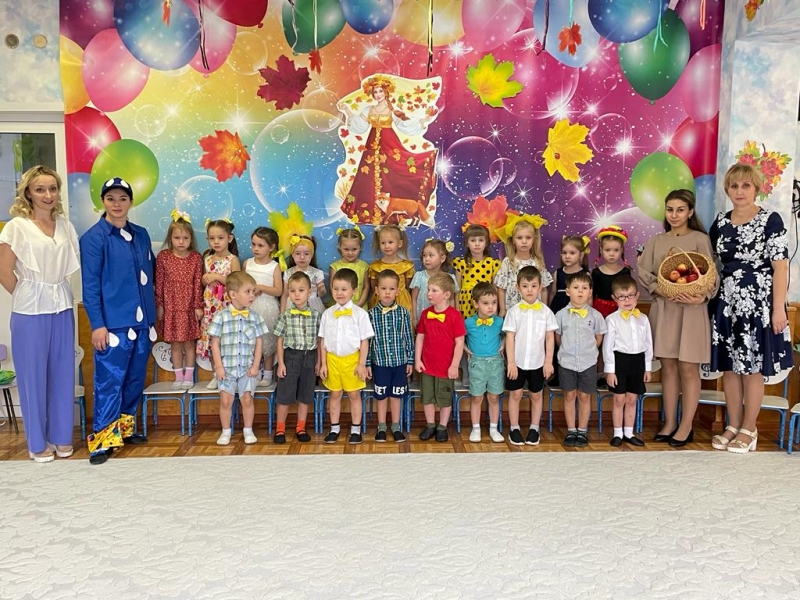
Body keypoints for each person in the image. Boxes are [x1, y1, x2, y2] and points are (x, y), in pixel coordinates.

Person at [708, 162, 792, 454]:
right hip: (726, 303)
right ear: (727, 190)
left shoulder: (771, 220)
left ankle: (749, 428)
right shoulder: (719, 224)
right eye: (734, 186)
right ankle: (733, 425)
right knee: (730, 367)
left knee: (753, 367)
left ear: (756, 188)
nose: (739, 191)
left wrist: (778, 309)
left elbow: (780, 267)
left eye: (746, 185)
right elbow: (713, 264)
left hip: (759, 304)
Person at [0, 165, 80, 463]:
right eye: (40, 189)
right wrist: (28, 295)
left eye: (52, 189)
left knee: (62, 373)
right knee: (33, 377)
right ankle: (36, 443)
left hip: (62, 305)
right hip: (29, 311)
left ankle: (60, 436)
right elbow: (4, 270)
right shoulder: (17, 227)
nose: (48, 195)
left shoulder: (65, 226)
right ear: (28, 193)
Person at [80, 177, 156, 465]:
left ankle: (124, 430)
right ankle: (102, 440)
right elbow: (90, 286)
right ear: (103, 201)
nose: (117, 204)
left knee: (135, 379)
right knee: (109, 382)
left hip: (142, 323)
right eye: (111, 198)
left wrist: (151, 316)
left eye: (122, 198)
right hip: (113, 324)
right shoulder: (94, 238)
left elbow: (150, 275)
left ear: (130, 202)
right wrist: (97, 324)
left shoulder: (141, 235)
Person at [638, 189, 718, 446]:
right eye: (670, 209)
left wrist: (701, 297)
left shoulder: (700, 239)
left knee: (688, 368)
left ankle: (686, 425)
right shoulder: (656, 241)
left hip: (692, 311)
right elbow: (644, 272)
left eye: (680, 210)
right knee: (669, 368)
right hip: (666, 309)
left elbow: (712, 275)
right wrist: (663, 290)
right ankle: (670, 422)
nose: (674, 215)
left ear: (690, 212)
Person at [338, 74, 438, 225]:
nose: (378, 94)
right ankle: (369, 213)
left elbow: (405, 123)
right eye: (375, 92)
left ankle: (396, 210)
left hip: (389, 144)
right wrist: (347, 110)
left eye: (380, 91)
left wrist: (424, 120)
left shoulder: (392, 110)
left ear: (386, 92)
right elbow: (360, 126)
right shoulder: (369, 109)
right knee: (367, 176)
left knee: (394, 172)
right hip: (371, 146)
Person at [207, 271, 267, 446]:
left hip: (247, 368)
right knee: (226, 401)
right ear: (233, 295)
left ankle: (248, 430)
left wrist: (256, 365)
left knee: (247, 399)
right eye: (247, 292)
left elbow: (259, 343)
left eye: (253, 291)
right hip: (227, 368)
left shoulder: (255, 317)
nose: (252, 295)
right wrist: (219, 367)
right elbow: (215, 344)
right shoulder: (221, 317)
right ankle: (226, 431)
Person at [319, 268, 375, 444]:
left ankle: (355, 430)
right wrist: (323, 364)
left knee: (354, 395)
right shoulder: (327, 314)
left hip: (352, 361)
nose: (339, 293)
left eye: (344, 289)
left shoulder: (360, 314)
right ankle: (334, 428)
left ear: (354, 291)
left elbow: (364, 341)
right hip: (332, 360)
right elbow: (322, 340)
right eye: (335, 289)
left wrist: (361, 364)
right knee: (334, 394)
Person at [503, 266, 557, 446]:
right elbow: (510, 338)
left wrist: (548, 362)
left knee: (536, 395)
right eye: (525, 286)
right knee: (515, 394)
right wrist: (511, 362)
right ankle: (514, 428)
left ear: (540, 287)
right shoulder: (514, 311)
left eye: (534, 286)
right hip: (517, 362)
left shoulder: (546, 312)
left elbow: (550, 338)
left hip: (538, 362)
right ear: (518, 288)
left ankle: (534, 428)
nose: (530, 290)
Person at [555, 272, 606, 448]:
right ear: (568, 291)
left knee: (584, 396)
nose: (580, 291)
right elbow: (558, 337)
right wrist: (567, 350)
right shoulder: (561, 315)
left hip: (588, 362)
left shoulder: (596, 316)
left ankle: (582, 430)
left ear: (590, 292)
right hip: (567, 362)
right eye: (576, 288)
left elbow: (598, 337)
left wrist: (589, 351)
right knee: (569, 395)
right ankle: (571, 430)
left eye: (584, 288)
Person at [155, 209, 203, 390]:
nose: (181, 242)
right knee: (175, 344)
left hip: (189, 306)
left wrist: (198, 305)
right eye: (177, 238)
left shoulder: (196, 258)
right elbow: (159, 282)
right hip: (171, 306)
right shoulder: (163, 257)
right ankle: (178, 377)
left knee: (189, 343)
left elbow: (198, 283)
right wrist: (160, 305)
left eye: (185, 238)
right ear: (170, 238)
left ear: (191, 239)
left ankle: (189, 377)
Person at [415, 273, 466, 442]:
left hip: (446, 368)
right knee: (427, 397)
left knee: (444, 398)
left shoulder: (455, 315)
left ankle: (442, 426)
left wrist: (454, 365)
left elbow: (459, 342)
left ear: (446, 294)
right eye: (428, 290)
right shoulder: (425, 314)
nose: (429, 293)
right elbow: (420, 337)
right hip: (427, 366)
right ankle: (430, 425)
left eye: (434, 290)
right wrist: (417, 359)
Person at [603, 275, 652, 448]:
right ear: (614, 298)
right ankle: (617, 433)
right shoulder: (611, 320)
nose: (627, 300)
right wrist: (610, 371)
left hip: (638, 361)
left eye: (630, 295)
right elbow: (608, 347)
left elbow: (648, 344)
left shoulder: (643, 319)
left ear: (637, 295)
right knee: (619, 399)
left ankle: (629, 433)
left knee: (632, 399)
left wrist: (647, 367)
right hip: (620, 361)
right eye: (622, 297)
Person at [272, 271, 321, 444]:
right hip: (290, 357)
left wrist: (319, 362)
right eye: (292, 291)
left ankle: (301, 427)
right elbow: (279, 340)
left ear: (310, 291)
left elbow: (319, 341)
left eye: (301, 290)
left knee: (305, 395)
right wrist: (281, 363)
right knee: (284, 395)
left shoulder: (316, 315)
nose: (297, 294)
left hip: (309, 358)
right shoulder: (285, 315)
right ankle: (280, 429)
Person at [366, 269, 414, 443]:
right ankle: (381, 427)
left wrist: (410, 360)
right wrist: (367, 363)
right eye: (383, 288)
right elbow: (367, 342)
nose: (387, 292)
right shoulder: (370, 315)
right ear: (376, 291)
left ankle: (395, 426)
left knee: (396, 395)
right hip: (380, 363)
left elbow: (408, 337)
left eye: (391, 289)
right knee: (381, 396)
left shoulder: (404, 313)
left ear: (398, 291)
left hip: (400, 362)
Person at [197, 219, 240, 390]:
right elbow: (203, 282)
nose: (216, 242)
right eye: (212, 238)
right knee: (212, 341)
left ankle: (230, 375)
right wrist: (205, 279)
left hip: (226, 307)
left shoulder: (232, 259)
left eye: (220, 238)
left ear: (229, 238)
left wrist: (217, 277)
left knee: (227, 342)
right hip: (210, 308)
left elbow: (237, 283)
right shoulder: (207, 259)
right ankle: (216, 374)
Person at [463, 283, 505, 443]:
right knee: (476, 397)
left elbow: (509, 335)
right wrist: (466, 349)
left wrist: (503, 344)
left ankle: (494, 428)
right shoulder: (469, 323)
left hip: (495, 363)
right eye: (485, 303)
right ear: (476, 304)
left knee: (494, 397)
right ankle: (476, 428)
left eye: (494, 302)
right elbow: (458, 338)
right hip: (477, 364)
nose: (490, 307)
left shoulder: (499, 322)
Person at [244, 227, 282, 390]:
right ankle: (254, 372)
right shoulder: (247, 263)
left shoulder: (274, 266)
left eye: (260, 245)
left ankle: (267, 374)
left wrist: (261, 287)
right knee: (251, 340)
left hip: (268, 307)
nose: (255, 249)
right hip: (250, 307)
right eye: (253, 244)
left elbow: (278, 290)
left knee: (267, 342)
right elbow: (241, 284)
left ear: (271, 247)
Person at [494, 213, 552, 315]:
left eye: (528, 237)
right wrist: (502, 309)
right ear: (513, 240)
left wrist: (544, 309)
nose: (524, 241)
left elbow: (543, 289)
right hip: (513, 312)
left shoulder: (537, 262)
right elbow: (501, 288)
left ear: (533, 240)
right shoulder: (508, 262)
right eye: (519, 238)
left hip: (534, 311)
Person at [453, 223, 501, 317]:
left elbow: (495, 290)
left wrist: (495, 311)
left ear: (486, 242)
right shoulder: (461, 263)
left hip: (486, 303)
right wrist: (457, 309)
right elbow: (457, 289)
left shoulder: (492, 264)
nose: (477, 244)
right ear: (467, 243)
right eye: (473, 240)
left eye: (481, 240)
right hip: (465, 304)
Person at [410, 238, 458, 327]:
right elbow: (414, 299)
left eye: (431, 255)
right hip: (423, 322)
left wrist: (451, 318)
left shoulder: (449, 278)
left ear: (442, 258)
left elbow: (451, 300)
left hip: (443, 321)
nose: (426, 259)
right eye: (424, 255)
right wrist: (414, 318)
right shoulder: (419, 276)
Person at [367, 224, 414, 312]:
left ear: (399, 243)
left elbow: (408, 288)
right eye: (383, 243)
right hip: (381, 301)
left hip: (402, 301)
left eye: (390, 242)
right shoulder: (375, 267)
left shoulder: (406, 266)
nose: (386, 246)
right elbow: (374, 288)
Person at [592, 225, 631, 319]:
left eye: (616, 250)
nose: (612, 254)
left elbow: (628, 293)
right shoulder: (596, 272)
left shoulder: (625, 272)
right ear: (601, 250)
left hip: (620, 309)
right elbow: (592, 295)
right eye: (607, 250)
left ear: (621, 250)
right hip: (600, 310)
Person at [280, 234, 326, 315]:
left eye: (306, 254)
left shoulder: (317, 273)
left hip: (312, 305)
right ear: (292, 254)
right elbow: (285, 294)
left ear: (312, 255)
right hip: (292, 305)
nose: (302, 257)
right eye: (297, 254)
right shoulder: (288, 273)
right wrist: (282, 312)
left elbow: (320, 295)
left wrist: (321, 290)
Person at [548, 235, 590, 315]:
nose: (567, 256)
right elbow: (552, 294)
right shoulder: (558, 273)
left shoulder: (586, 275)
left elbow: (589, 298)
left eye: (572, 253)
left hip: (578, 311)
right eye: (564, 253)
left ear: (581, 255)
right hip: (558, 311)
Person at [329, 226, 370, 307]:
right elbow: (332, 287)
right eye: (346, 249)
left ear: (360, 248)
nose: (350, 253)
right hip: (339, 306)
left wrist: (358, 305)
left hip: (359, 306)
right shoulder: (335, 267)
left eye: (354, 249)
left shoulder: (364, 266)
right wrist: (341, 304)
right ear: (340, 247)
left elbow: (366, 288)